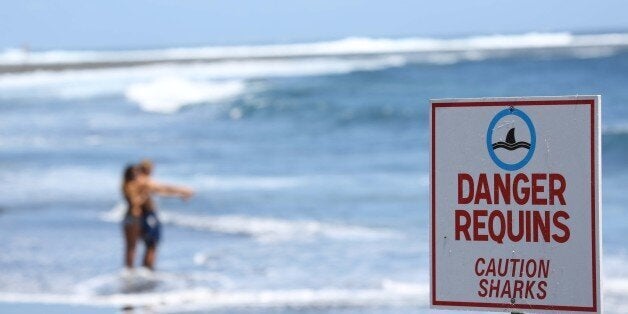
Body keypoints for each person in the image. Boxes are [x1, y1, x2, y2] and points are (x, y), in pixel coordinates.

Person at [134, 159, 194, 270]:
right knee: (152, 244)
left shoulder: (138, 181)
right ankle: (148, 270)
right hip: (147, 215)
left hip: (144, 216)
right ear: (147, 168)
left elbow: (161, 191)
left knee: (149, 245)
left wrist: (179, 194)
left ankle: (146, 270)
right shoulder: (144, 180)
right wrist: (183, 190)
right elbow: (163, 188)